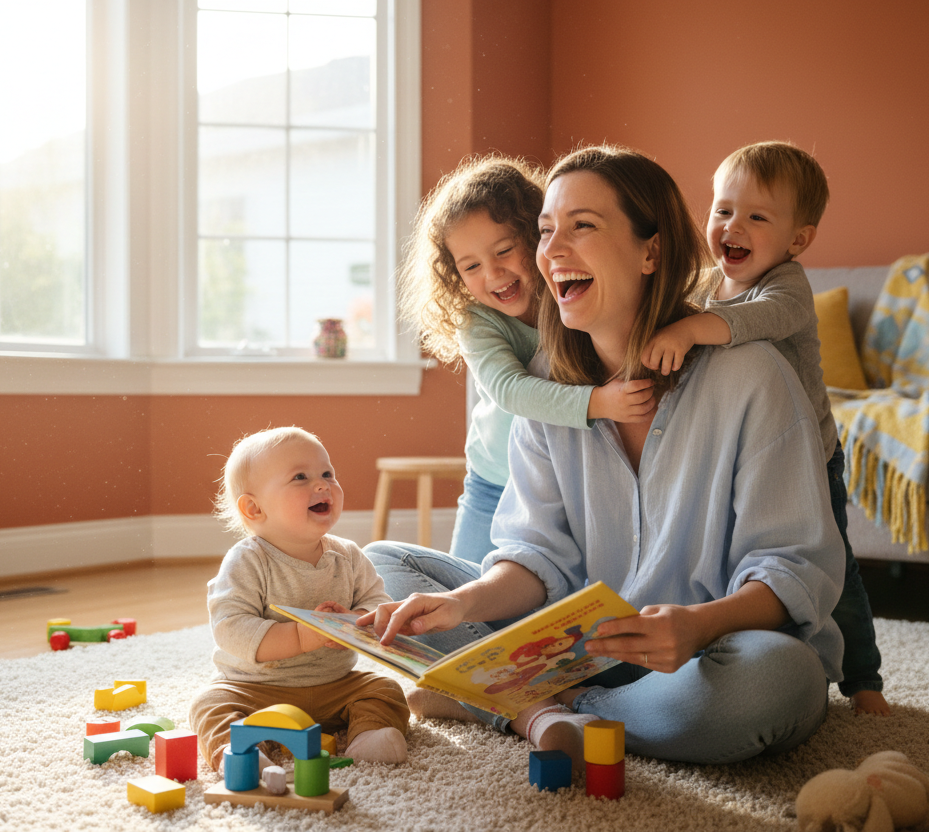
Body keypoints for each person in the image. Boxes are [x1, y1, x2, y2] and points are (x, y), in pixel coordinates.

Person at [361, 145, 845, 768]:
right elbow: (538, 557)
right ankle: (542, 708)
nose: (552, 250)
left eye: (581, 226)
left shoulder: (752, 375)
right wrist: (466, 604)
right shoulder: (546, 384)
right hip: (575, 644)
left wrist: (698, 626)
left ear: (651, 250)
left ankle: (522, 705)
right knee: (384, 563)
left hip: (705, 656)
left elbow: (791, 564)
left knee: (778, 681)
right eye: (544, 231)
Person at [640, 141, 890, 716]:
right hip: (738, 453)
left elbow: (761, 320)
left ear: (797, 239)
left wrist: (691, 329)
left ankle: (864, 678)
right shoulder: (702, 285)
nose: (734, 226)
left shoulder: (787, 287)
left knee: (835, 567)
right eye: (723, 210)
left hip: (807, 457)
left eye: (757, 216)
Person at [397, 156, 656, 565]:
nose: (493, 273)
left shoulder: (572, 294)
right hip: (494, 481)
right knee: (466, 589)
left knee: (549, 585)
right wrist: (599, 403)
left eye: (504, 250)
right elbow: (509, 390)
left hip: (562, 482)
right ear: (454, 275)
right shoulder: (477, 320)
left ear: (536, 238)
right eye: (471, 267)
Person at [188, 427, 410, 773]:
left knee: (385, 690)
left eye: (327, 474)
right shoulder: (247, 560)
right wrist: (304, 636)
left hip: (336, 686)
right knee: (210, 703)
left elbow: (377, 604)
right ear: (254, 508)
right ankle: (240, 753)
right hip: (255, 689)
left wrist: (355, 621)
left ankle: (367, 738)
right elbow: (230, 628)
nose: (322, 485)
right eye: (300, 477)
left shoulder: (348, 556)